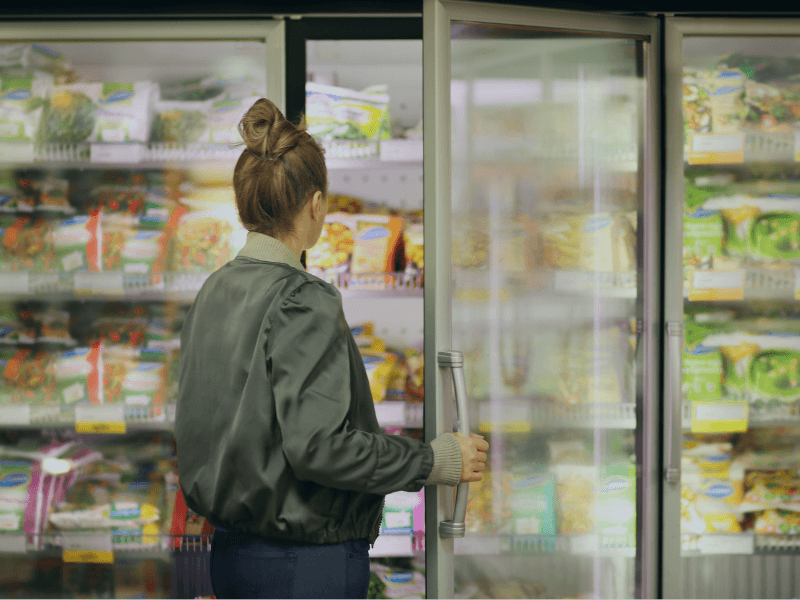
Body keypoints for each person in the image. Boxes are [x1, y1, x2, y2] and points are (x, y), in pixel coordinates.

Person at [175, 98, 489, 600]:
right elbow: (320, 448)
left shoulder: (215, 288)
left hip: (233, 556)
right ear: (316, 204)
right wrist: (431, 461)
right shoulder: (302, 297)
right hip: (303, 565)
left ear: (245, 204)